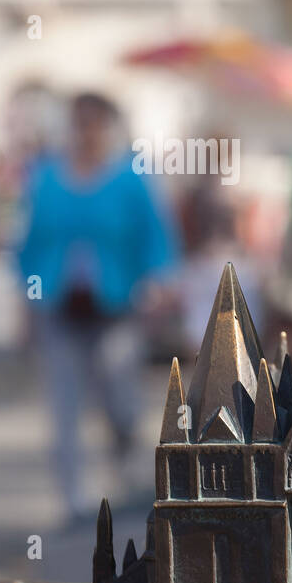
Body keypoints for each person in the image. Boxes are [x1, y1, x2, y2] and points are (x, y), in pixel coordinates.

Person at [16, 92, 180, 520]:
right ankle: (72, 497)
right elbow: (30, 246)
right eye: (79, 122)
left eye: (94, 123)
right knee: (63, 406)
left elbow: (156, 238)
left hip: (116, 308)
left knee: (121, 401)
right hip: (60, 308)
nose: (86, 132)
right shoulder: (47, 177)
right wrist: (26, 306)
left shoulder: (131, 177)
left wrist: (159, 285)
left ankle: (126, 477)